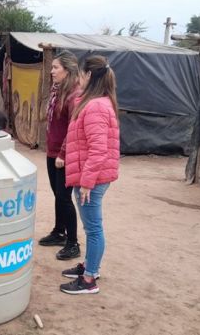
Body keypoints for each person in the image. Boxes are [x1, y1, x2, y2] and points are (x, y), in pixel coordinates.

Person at [60, 55, 120, 295]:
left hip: (91, 179)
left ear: (88, 76)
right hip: (90, 177)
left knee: (93, 228)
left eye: (80, 73)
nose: (78, 78)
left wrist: (86, 183)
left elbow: (98, 150)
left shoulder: (95, 106)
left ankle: (88, 280)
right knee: (92, 227)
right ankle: (90, 267)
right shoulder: (95, 101)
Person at [39, 51, 82, 261]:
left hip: (65, 154)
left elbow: (73, 128)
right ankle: (59, 232)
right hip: (53, 150)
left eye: (56, 67)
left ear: (67, 70)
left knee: (64, 198)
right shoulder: (58, 91)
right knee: (57, 194)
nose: (52, 71)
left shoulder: (74, 94)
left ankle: (73, 243)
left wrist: (63, 153)